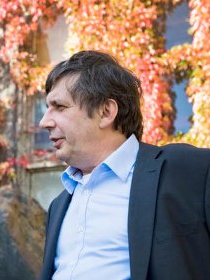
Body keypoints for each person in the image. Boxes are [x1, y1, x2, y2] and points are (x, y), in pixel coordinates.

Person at [37, 50, 210, 280]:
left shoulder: (188, 170)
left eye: (59, 107)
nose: (44, 122)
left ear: (106, 112)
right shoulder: (58, 206)